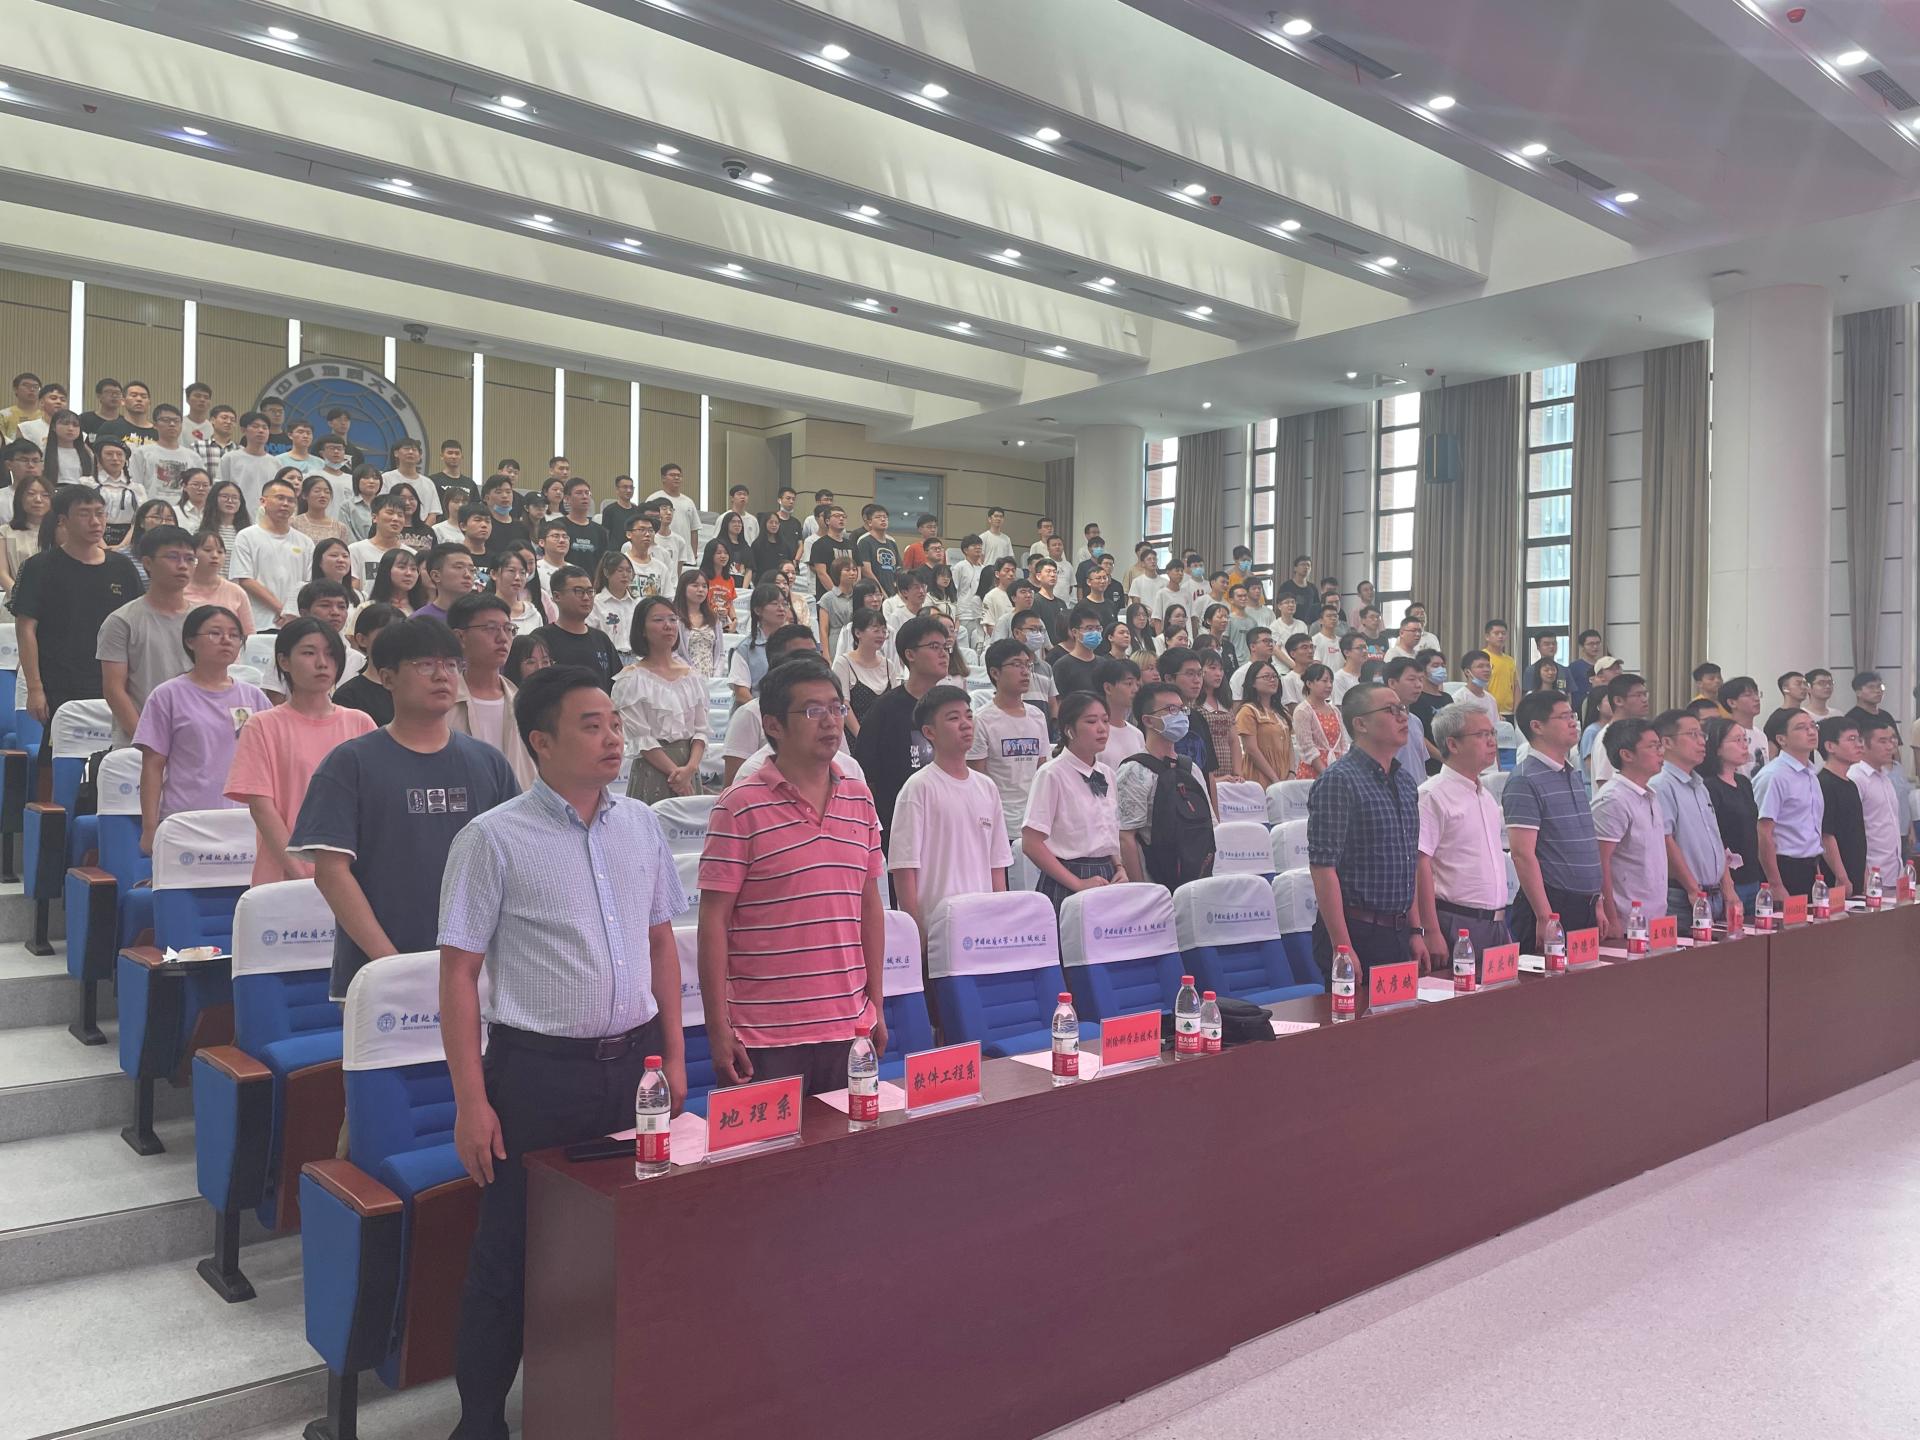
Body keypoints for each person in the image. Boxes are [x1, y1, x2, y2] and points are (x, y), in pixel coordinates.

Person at [439, 664, 684, 1440]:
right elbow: (458, 975)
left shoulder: (641, 824)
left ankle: (611, 1405)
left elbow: (661, 943)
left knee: (631, 1240)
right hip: (537, 1076)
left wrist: (675, 1057)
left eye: (615, 722)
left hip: (636, 1068)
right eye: (591, 724)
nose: (613, 737)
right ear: (541, 741)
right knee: (511, 1254)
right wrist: (471, 1102)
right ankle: (481, 1421)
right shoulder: (492, 838)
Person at [290, 617, 519, 1001]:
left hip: (478, 977)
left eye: (451, 665)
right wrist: (393, 965)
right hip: (381, 976)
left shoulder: (488, 762)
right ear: (387, 677)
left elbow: (515, 862)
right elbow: (331, 873)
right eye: (425, 664)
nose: (442, 675)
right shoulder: (350, 763)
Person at [699, 655, 886, 1093]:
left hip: (848, 1027)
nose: (831, 722)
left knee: (851, 1137)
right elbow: (713, 921)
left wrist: (875, 1003)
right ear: (774, 725)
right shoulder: (738, 806)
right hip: (763, 1036)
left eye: (836, 708)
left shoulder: (860, 798)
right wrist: (718, 1027)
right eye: (812, 710)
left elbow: (869, 905)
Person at [222, 617, 374, 884]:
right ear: (284, 661)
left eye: (330, 654)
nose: (322, 663)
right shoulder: (262, 725)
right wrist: (300, 871)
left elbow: (374, 803)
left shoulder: (360, 723)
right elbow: (262, 808)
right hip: (285, 876)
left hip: (353, 876)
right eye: (309, 653)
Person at [1305, 683, 1425, 978]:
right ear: (1360, 724)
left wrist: (1416, 930)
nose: (1403, 716)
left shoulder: (1405, 782)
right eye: (1391, 710)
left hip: (1399, 932)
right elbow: (1323, 868)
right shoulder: (1339, 781)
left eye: (1403, 709)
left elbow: (1408, 861)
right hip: (1357, 931)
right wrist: (1342, 947)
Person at [132, 605, 271, 850]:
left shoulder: (254, 697)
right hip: (186, 819)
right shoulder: (167, 695)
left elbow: (270, 763)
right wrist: (150, 828)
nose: (226, 640)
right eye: (215, 633)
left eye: (234, 635)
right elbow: (153, 767)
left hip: (244, 821)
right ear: (190, 641)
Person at [10, 484, 145, 728]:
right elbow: (26, 629)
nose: (95, 521)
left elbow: (138, 624)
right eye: (84, 514)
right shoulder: (38, 567)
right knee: (58, 746)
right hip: (59, 680)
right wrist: (34, 688)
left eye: (100, 513)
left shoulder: (122, 567)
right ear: (63, 521)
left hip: (114, 679)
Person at [890, 684, 1010, 942]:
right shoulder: (918, 788)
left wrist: (999, 917)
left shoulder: (987, 787)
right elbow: (903, 867)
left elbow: (997, 864)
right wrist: (916, 930)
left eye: (969, 715)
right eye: (953, 718)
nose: (965, 724)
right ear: (929, 732)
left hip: (984, 928)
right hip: (937, 929)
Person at [1503, 689, 1605, 949]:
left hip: (1586, 903)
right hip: (1554, 905)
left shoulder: (1571, 772)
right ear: (1537, 726)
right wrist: (1544, 916)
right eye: (1564, 717)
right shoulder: (1524, 779)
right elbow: (1522, 854)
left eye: (1573, 716)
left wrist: (1598, 900)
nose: (1573, 723)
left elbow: (1586, 842)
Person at [1416, 702, 1510, 970]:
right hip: (1455, 921)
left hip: (1496, 922)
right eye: (1481, 735)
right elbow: (1419, 863)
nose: (1492, 741)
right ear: (1453, 744)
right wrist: (1431, 930)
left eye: (1492, 733)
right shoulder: (1432, 795)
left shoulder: (1486, 796)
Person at [851, 613, 949, 841]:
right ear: (910, 654)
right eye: (934, 647)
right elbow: (866, 775)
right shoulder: (885, 709)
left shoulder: (951, 707)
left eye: (946, 647)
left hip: (945, 821)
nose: (944, 653)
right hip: (899, 828)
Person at [97, 525, 198, 743]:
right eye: (173, 557)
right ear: (147, 563)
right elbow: (114, 690)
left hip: (194, 740)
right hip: (139, 743)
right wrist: (147, 741)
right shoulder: (121, 621)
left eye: (190, 559)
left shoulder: (203, 620)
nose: (183, 565)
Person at [1024, 691, 1125, 908]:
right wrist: (1078, 883)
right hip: (1067, 876)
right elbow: (1031, 843)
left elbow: (1109, 831)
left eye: (1105, 720)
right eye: (1091, 721)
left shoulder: (1107, 773)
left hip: (1107, 874)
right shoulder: (1051, 774)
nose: (1102, 728)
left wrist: (1119, 867)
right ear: (1069, 729)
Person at [613, 596, 708, 802]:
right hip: (653, 769)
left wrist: (690, 768)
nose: (668, 626)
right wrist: (676, 775)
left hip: (688, 768)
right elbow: (641, 738)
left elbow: (701, 730)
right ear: (642, 629)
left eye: (672, 619)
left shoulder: (692, 677)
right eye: (658, 620)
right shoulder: (631, 679)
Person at [1647, 709, 1738, 925]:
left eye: (1702, 735)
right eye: (1692, 734)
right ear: (1667, 742)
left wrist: (1727, 886)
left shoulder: (1699, 784)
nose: (1702, 741)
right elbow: (1665, 841)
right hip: (1683, 896)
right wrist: (1692, 889)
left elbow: (1714, 837)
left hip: (1714, 893)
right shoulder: (1661, 784)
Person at [446, 593, 536, 790]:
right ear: (460, 637)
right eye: (491, 628)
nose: (503, 638)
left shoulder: (524, 703)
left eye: (508, 629)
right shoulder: (443, 703)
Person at [1591, 718, 1669, 939]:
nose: (1661, 752)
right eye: (1652, 746)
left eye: (1660, 745)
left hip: (1655, 917)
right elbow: (1600, 862)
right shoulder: (1613, 799)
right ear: (1627, 755)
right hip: (1627, 921)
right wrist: (1612, 918)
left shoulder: (1650, 794)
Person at [1754, 707, 1829, 900]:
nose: (1811, 732)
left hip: (1811, 867)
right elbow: (1763, 832)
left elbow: (1812, 830)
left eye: (1813, 726)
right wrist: (1775, 885)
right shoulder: (1774, 775)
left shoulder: (1812, 773)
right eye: (1801, 728)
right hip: (1784, 868)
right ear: (1781, 739)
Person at [230, 473, 314, 631]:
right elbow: (245, 579)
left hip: (294, 623)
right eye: (280, 498)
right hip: (258, 622)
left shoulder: (305, 542)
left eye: (291, 500)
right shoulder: (246, 536)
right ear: (263, 501)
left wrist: (292, 613)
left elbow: (307, 583)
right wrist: (281, 609)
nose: (285, 504)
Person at [1700, 716, 1765, 912]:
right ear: (1717, 748)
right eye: (1737, 740)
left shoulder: (1743, 782)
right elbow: (1713, 837)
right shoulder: (1708, 786)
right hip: (1727, 881)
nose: (1744, 745)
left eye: (1745, 739)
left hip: (1753, 875)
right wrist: (1727, 885)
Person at [535, 565, 622, 692]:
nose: (586, 597)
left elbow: (616, 687)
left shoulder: (601, 639)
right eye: (579, 591)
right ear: (557, 596)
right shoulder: (541, 639)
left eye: (590, 591)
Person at [1849, 713, 1906, 888]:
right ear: (1863, 744)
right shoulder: (1855, 777)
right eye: (1882, 741)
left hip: (1894, 872)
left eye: (1892, 740)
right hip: (1870, 874)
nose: (1890, 746)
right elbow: (1852, 830)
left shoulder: (1885, 777)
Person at [1815, 715, 1866, 896]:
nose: (1859, 745)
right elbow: (1826, 835)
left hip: (1855, 870)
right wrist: (1842, 876)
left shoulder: (1851, 784)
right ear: (1830, 746)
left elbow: (1857, 832)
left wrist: (1864, 872)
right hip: (1835, 876)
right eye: (1851, 739)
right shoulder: (1824, 783)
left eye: (1859, 739)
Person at [728, 582, 796, 704]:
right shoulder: (745, 649)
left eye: (784, 604)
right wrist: (763, 712)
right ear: (758, 610)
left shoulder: (794, 644)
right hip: (756, 711)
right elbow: (741, 694)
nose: (781, 608)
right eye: (774, 603)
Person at [335, 604, 401, 725]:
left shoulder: (414, 687)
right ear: (362, 640)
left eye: (401, 635)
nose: (395, 641)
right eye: (385, 634)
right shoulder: (348, 696)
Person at [1233, 660, 1292, 786]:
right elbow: (1251, 749)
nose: (1272, 680)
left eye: (1275, 676)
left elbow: (1290, 745)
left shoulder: (1282, 713)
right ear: (1253, 683)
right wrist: (1274, 778)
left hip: (1285, 777)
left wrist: (1292, 773)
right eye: (1266, 677)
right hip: (1260, 777)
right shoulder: (1248, 711)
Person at [1588, 672, 1650, 789]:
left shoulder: (1637, 733)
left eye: (1645, 694)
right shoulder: (1607, 737)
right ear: (1618, 700)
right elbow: (1604, 783)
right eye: (1638, 695)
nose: (1644, 700)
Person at [1291, 662, 1347, 779]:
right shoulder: (1303, 711)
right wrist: (1326, 774)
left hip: (1336, 769)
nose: (1329, 685)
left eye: (1331, 681)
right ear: (1309, 683)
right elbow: (1307, 747)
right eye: (1324, 681)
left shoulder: (1335, 710)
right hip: (1313, 771)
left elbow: (1343, 743)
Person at [646, 462, 700, 559]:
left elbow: (694, 530)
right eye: (672, 475)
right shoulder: (653, 499)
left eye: (679, 476)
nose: (676, 478)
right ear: (663, 478)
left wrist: (694, 554)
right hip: (659, 553)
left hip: (685, 555)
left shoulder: (688, 502)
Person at [414, 543, 477, 625]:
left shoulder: (482, 616)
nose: (468, 575)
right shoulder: (420, 621)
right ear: (436, 576)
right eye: (459, 567)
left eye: (472, 570)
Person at [855, 503, 901, 594]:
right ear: (869, 522)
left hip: (892, 591)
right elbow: (866, 571)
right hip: (873, 592)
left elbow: (898, 568)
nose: (883, 519)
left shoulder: (892, 541)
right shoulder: (864, 541)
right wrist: (881, 592)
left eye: (885, 517)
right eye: (878, 517)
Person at [1482, 620, 1517, 716]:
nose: (1501, 636)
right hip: (1489, 711)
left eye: (1503, 633)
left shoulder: (1510, 660)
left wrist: (1516, 710)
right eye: (1496, 633)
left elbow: (1516, 686)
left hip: (1509, 712)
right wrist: (1492, 710)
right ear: (1487, 637)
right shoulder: (1481, 657)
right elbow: (1481, 686)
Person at [1568, 630, 1603, 714]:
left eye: (1598, 643)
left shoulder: (1603, 666)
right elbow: (1569, 692)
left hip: (1600, 709)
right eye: (1591, 644)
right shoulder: (1574, 667)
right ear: (1582, 646)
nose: (1595, 647)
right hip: (1580, 710)